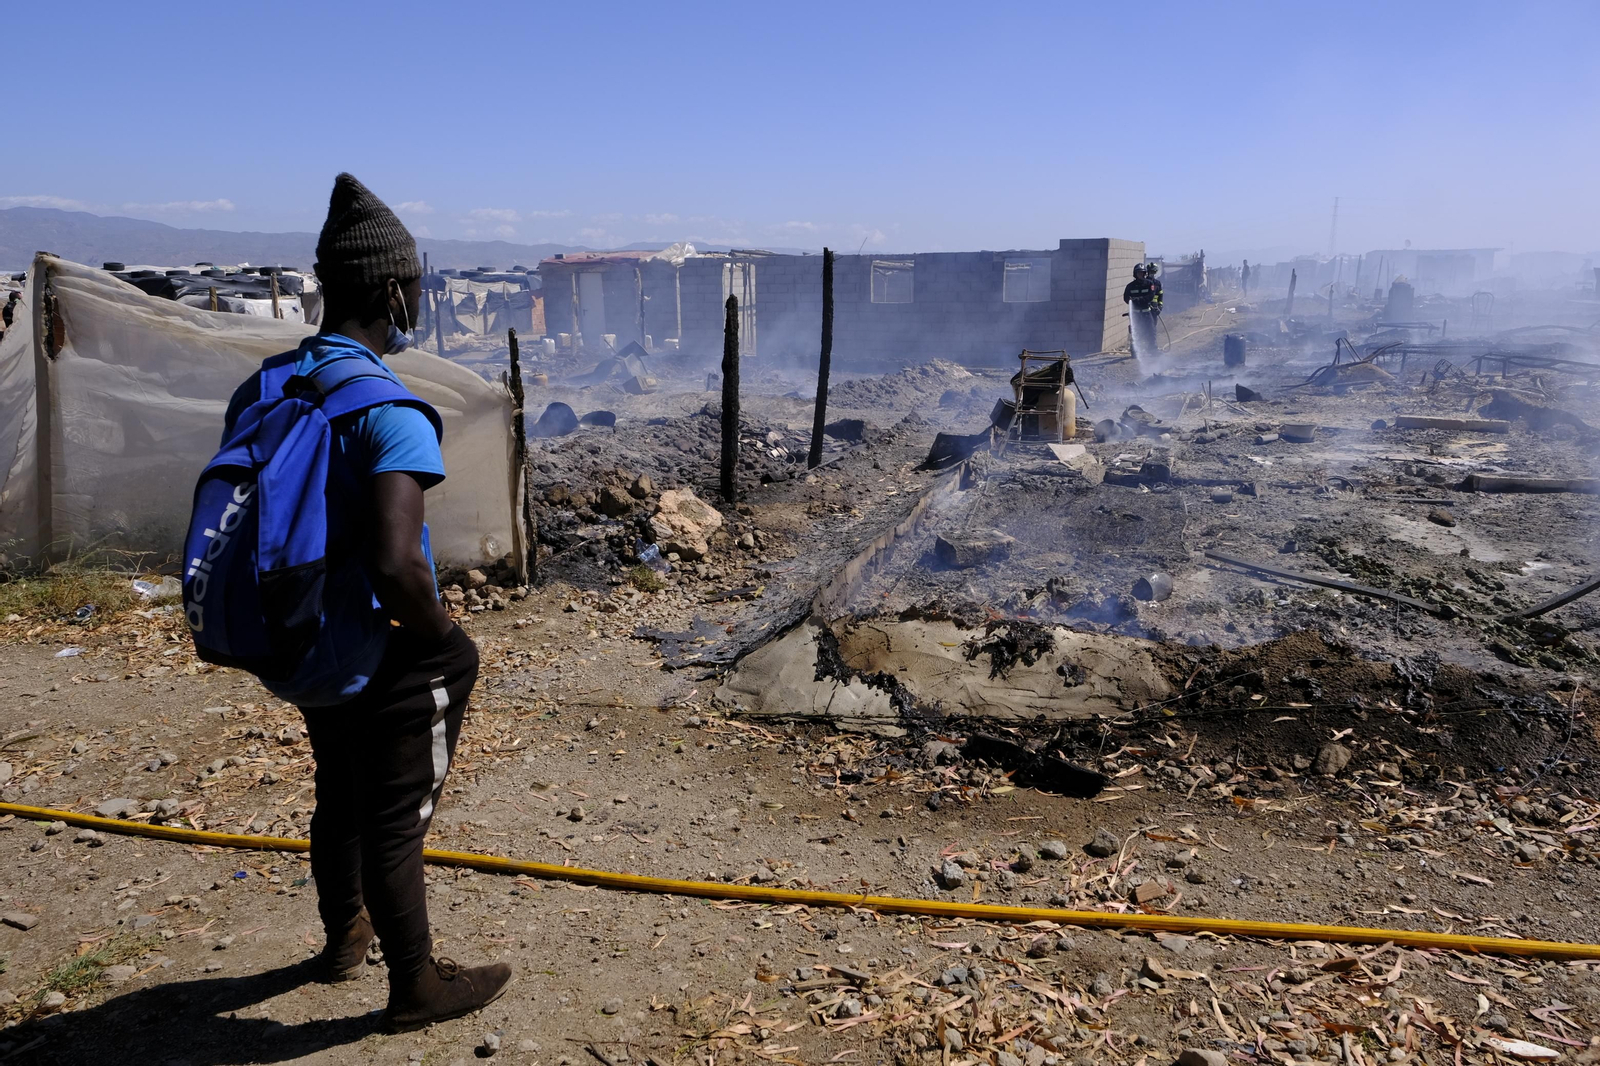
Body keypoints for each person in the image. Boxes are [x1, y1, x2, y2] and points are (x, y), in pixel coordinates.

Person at [218, 174, 510, 1033]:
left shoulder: (267, 387)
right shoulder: (389, 408)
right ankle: (416, 985)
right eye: (414, 283)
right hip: (374, 643)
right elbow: (396, 563)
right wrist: (448, 643)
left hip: (298, 638)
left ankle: (342, 941)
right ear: (392, 290)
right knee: (393, 813)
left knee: (336, 791)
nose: (415, 295)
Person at [1123, 263, 1162, 356]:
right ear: (1135, 274)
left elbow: (1150, 296)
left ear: (1145, 273)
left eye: (1142, 273)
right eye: (1138, 273)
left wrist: (1136, 300)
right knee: (1135, 332)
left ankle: (1152, 350)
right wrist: (1133, 302)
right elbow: (1126, 298)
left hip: (1146, 313)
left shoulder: (1149, 284)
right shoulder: (1130, 286)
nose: (1140, 274)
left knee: (1151, 331)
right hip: (1135, 314)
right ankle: (1135, 351)